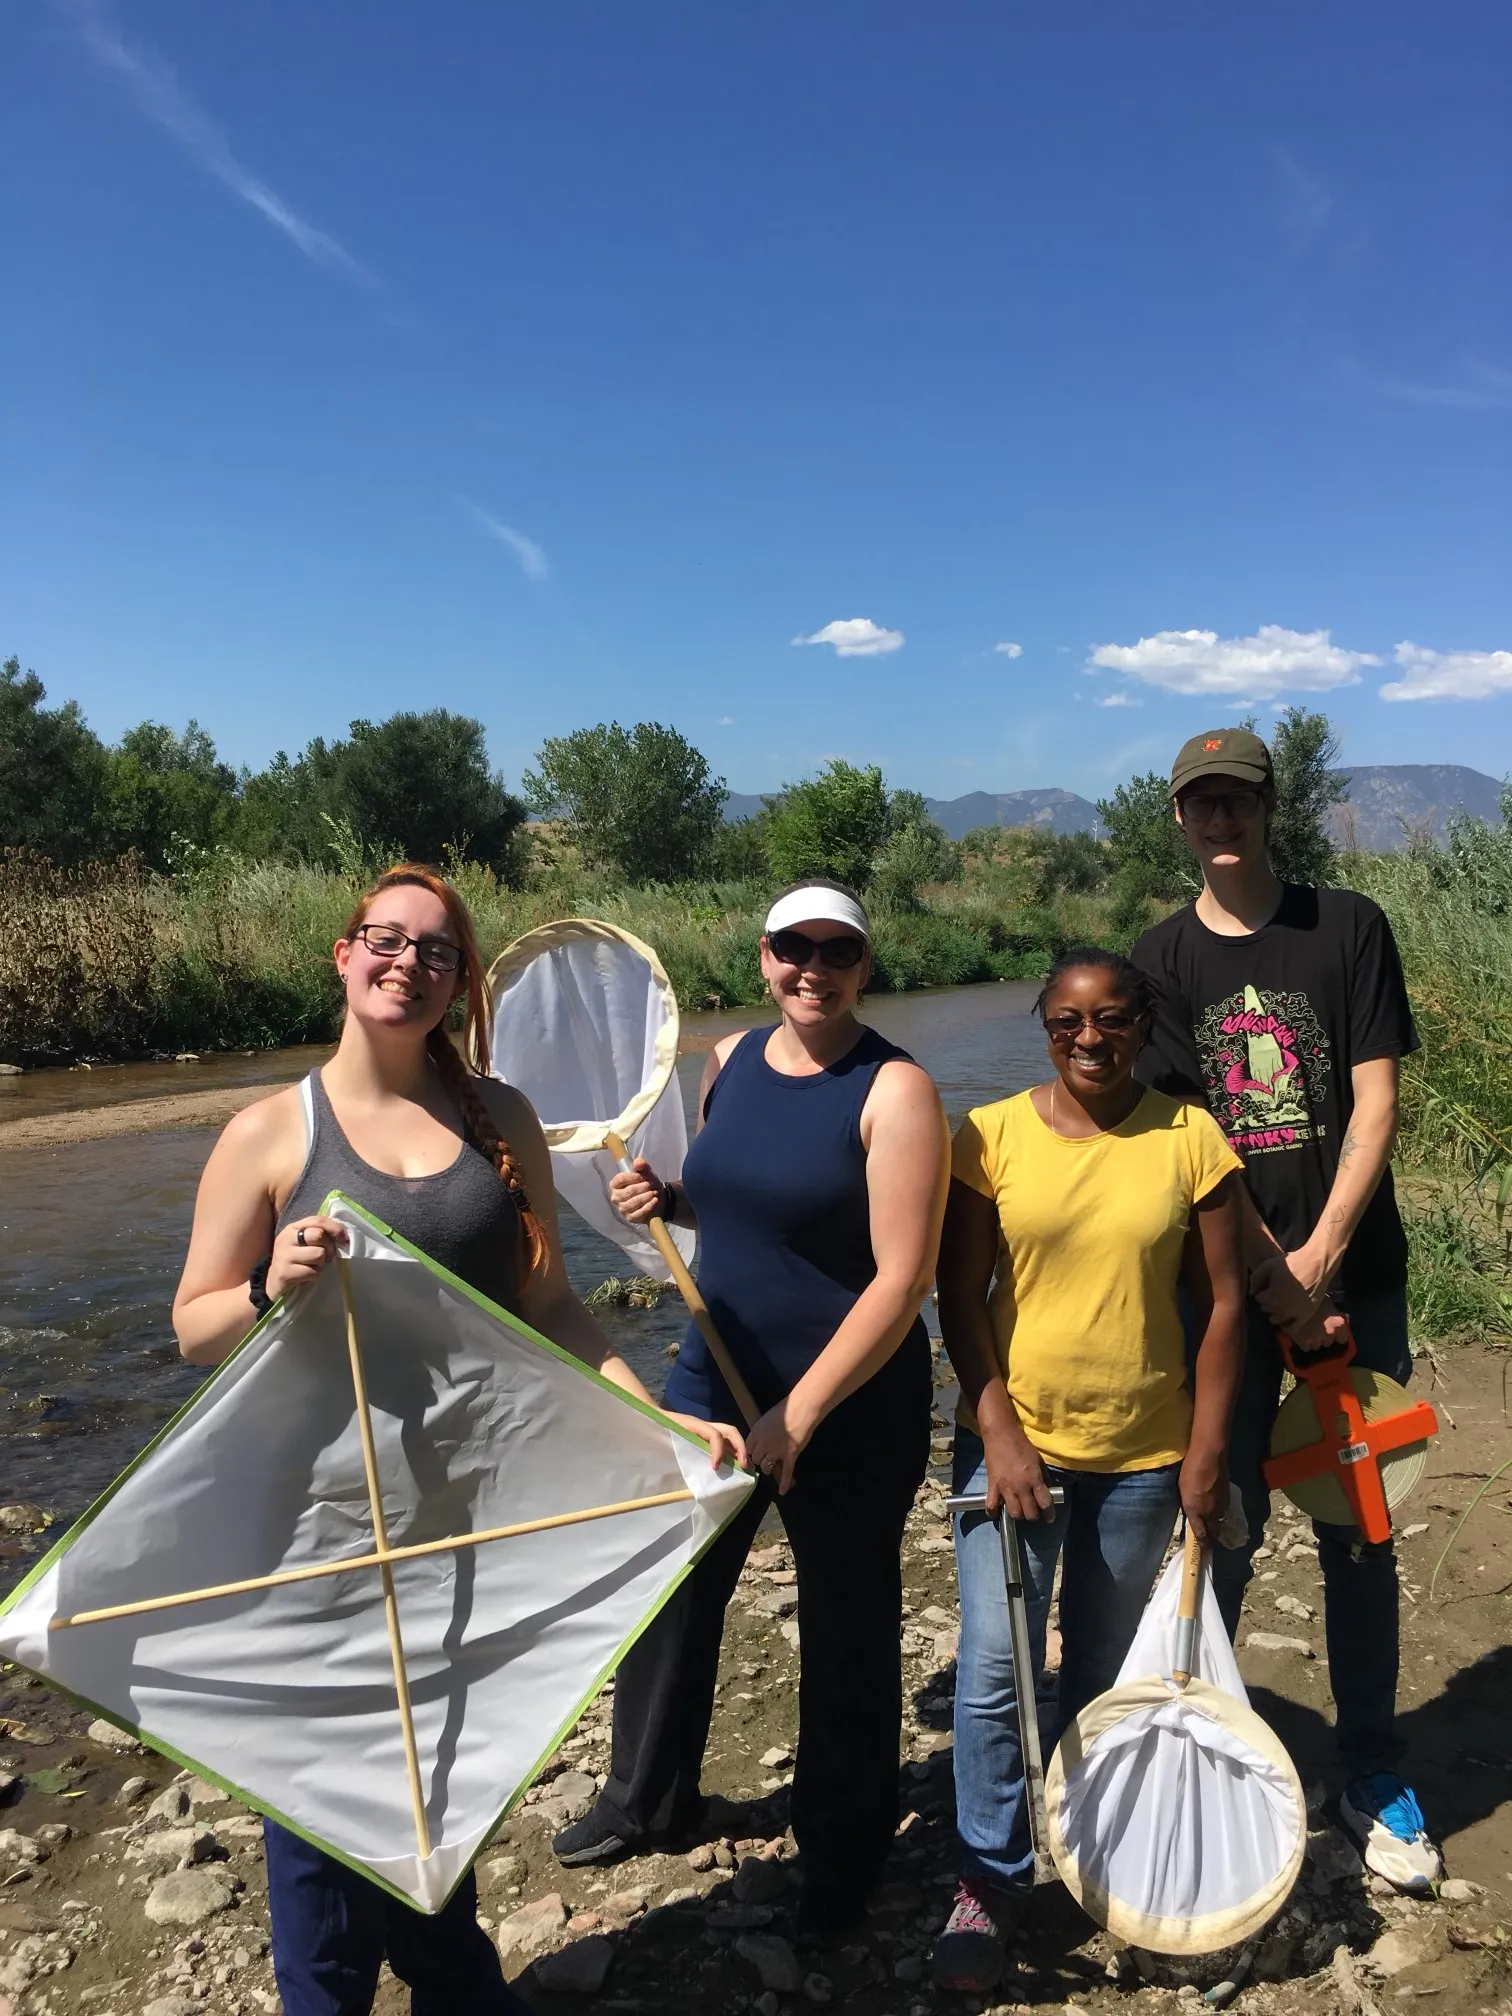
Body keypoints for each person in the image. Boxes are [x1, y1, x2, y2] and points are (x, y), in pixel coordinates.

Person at [172, 863, 744, 2016]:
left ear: (460, 981)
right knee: (320, 1840)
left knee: (436, 1801)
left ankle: (456, 1987)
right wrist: (269, 1288)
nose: (408, 963)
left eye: (437, 951)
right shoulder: (268, 1135)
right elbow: (192, 1327)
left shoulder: (502, 1121)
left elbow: (553, 1313)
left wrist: (654, 1418)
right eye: (386, 940)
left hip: (471, 1525)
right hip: (314, 1542)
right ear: (342, 954)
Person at [551, 879, 950, 1943]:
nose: (811, 967)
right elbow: (726, 1205)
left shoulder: (896, 1090)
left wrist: (799, 1413)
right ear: (763, 956)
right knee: (672, 1593)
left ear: (866, 965)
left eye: (836, 950)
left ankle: (842, 1853)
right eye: (791, 947)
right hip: (709, 1381)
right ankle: (646, 1799)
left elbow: (903, 1279)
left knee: (848, 1627)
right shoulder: (723, 1062)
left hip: (850, 1407)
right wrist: (663, 1200)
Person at [1130, 726, 1441, 1893]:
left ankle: (1371, 1768)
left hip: (1359, 1278)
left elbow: (1374, 1100)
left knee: (1360, 1527)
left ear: (1270, 808)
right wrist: (1272, 1274)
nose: (1222, 820)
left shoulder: (1347, 925)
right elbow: (1188, 1141)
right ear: (1178, 816)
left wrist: (1323, 1255)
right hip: (1224, 1301)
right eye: (1201, 803)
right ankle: (1206, 1754)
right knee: (1219, 1514)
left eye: (1240, 801)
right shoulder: (1157, 961)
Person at [933, 947, 1245, 1995]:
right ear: (1044, 1027)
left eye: (1112, 1020)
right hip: (1012, 1447)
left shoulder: (1189, 1134)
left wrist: (1207, 1454)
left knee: (1105, 1679)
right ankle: (988, 1875)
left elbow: (1225, 1305)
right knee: (989, 1668)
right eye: (1068, 1023)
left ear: (1141, 1025)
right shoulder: (990, 1136)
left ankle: (1090, 1844)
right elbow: (960, 1295)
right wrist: (1001, 1432)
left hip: (1145, 1460)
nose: (1091, 1040)